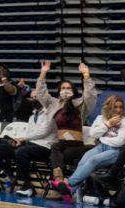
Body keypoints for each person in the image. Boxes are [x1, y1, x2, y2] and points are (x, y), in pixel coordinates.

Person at [40, 61, 99, 196]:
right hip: (61, 143)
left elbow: (90, 95)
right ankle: (60, 180)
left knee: (59, 155)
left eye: (68, 88)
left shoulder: (80, 105)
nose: (65, 90)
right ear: (59, 91)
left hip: (77, 145)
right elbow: (41, 94)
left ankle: (62, 186)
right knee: (55, 148)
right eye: (63, 88)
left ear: (73, 91)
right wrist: (43, 74)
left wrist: (86, 75)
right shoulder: (54, 104)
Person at [0, 96, 55, 195]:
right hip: (29, 145)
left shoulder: (50, 114)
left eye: (36, 97)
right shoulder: (32, 117)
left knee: (21, 151)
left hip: (44, 147)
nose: (33, 99)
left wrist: (24, 139)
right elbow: (29, 134)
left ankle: (27, 185)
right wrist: (20, 141)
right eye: (32, 97)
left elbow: (43, 132)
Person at [66, 94, 125, 202]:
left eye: (121, 107)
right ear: (109, 107)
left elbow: (120, 141)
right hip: (101, 147)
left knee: (93, 160)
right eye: (116, 107)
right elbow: (93, 134)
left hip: (115, 151)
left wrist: (103, 137)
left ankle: (68, 184)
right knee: (83, 161)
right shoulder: (101, 118)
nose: (119, 110)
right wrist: (107, 124)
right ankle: (72, 190)